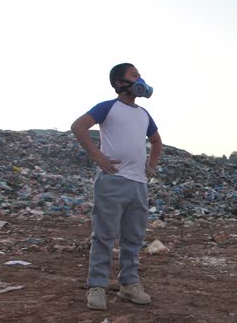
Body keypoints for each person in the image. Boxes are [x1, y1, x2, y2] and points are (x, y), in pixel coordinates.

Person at [71, 63, 162, 310]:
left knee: (134, 238)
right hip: (112, 181)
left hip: (139, 184)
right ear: (119, 83)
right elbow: (78, 126)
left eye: (139, 75)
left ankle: (129, 285)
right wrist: (98, 156)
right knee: (104, 236)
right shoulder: (108, 107)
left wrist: (151, 165)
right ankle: (97, 287)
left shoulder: (143, 114)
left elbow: (156, 141)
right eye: (134, 75)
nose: (139, 79)